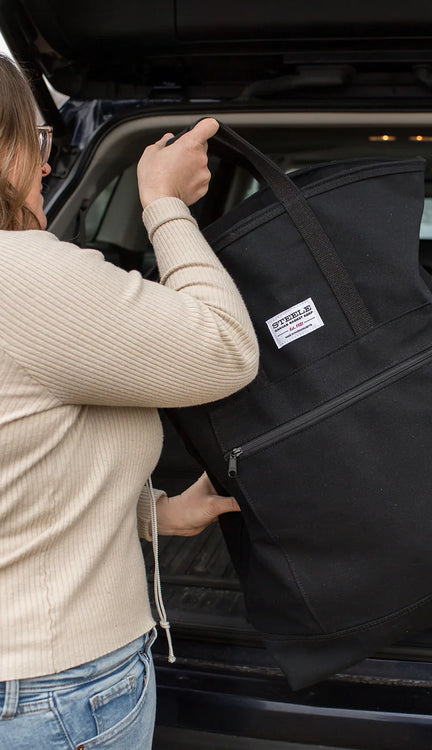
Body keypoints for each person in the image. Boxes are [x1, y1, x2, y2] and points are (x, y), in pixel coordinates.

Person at [0, 55, 259, 749]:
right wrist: (165, 207)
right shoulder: (24, 277)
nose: (48, 170)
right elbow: (226, 350)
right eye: (39, 144)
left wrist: (155, 514)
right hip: (52, 693)